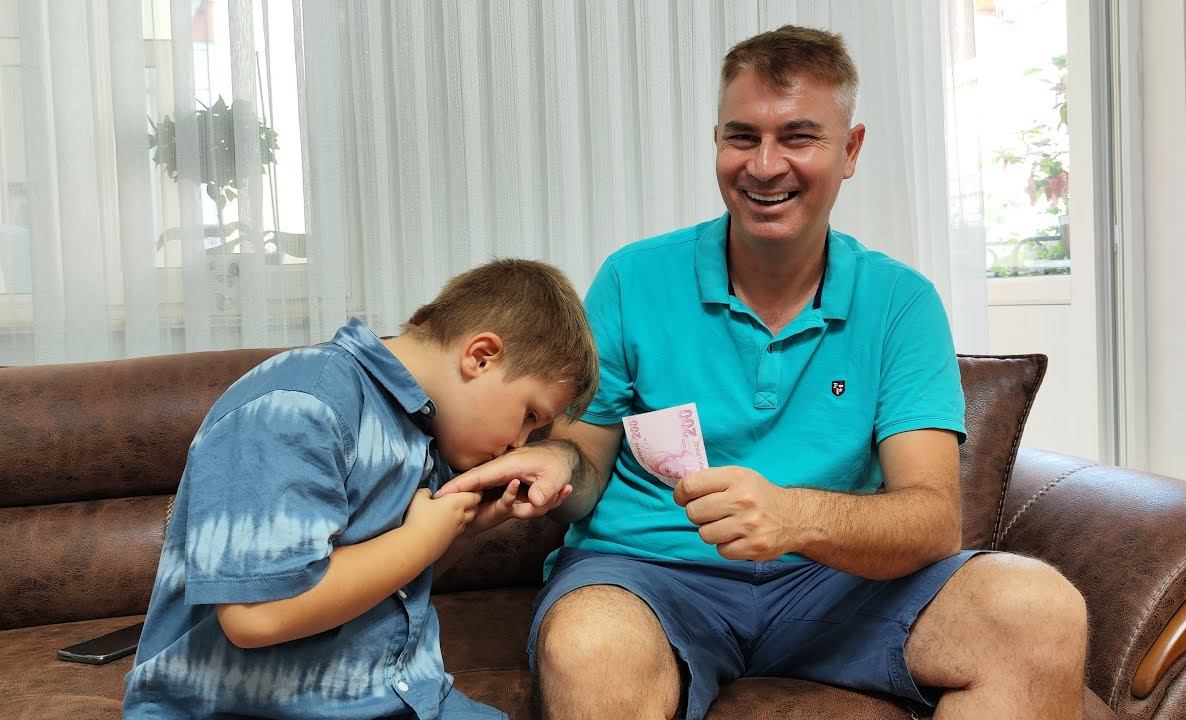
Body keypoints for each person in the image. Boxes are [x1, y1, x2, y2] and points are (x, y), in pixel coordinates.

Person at [439, 26, 1088, 720]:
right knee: (591, 645)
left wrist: (793, 517)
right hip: (648, 578)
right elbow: (586, 463)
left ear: (851, 150)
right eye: (742, 137)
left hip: (840, 587)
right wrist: (556, 463)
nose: (765, 165)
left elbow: (932, 520)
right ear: (716, 141)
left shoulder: (902, 302)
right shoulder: (632, 279)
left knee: (1038, 608)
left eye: (799, 138)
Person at [123, 260, 598, 720]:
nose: (519, 444)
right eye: (529, 416)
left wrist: (464, 530)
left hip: (400, 699)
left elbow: (391, 583)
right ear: (481, 356)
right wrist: (420, 539)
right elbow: (256, 617)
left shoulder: (426, 429)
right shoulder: (302, 404)